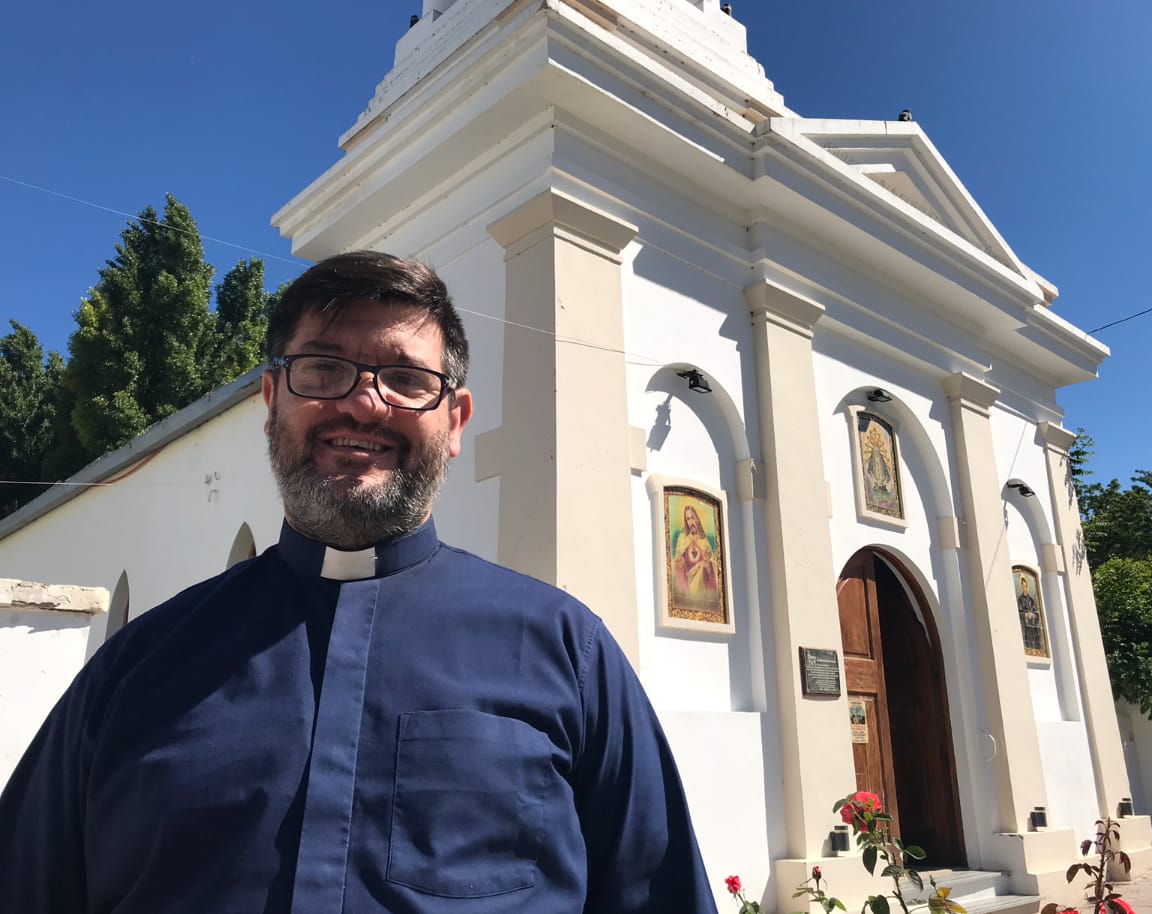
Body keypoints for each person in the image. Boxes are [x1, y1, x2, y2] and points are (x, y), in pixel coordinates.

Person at [0, 251, 715, 913]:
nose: (365, 403)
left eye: (407, 379)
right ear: (272, 402)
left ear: (455, 421)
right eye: (323, 369)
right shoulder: (133, 670)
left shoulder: (568, 654)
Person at [672, 504, 719, 606]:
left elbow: (713, 569)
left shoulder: (704, 540)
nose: (691, 522)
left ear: (697, 519)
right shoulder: (682, 538)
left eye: (692, 517)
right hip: (686, 583)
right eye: (688, 519)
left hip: (701, 585)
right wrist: (680, 562)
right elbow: (676, 562)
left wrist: (706, 563)